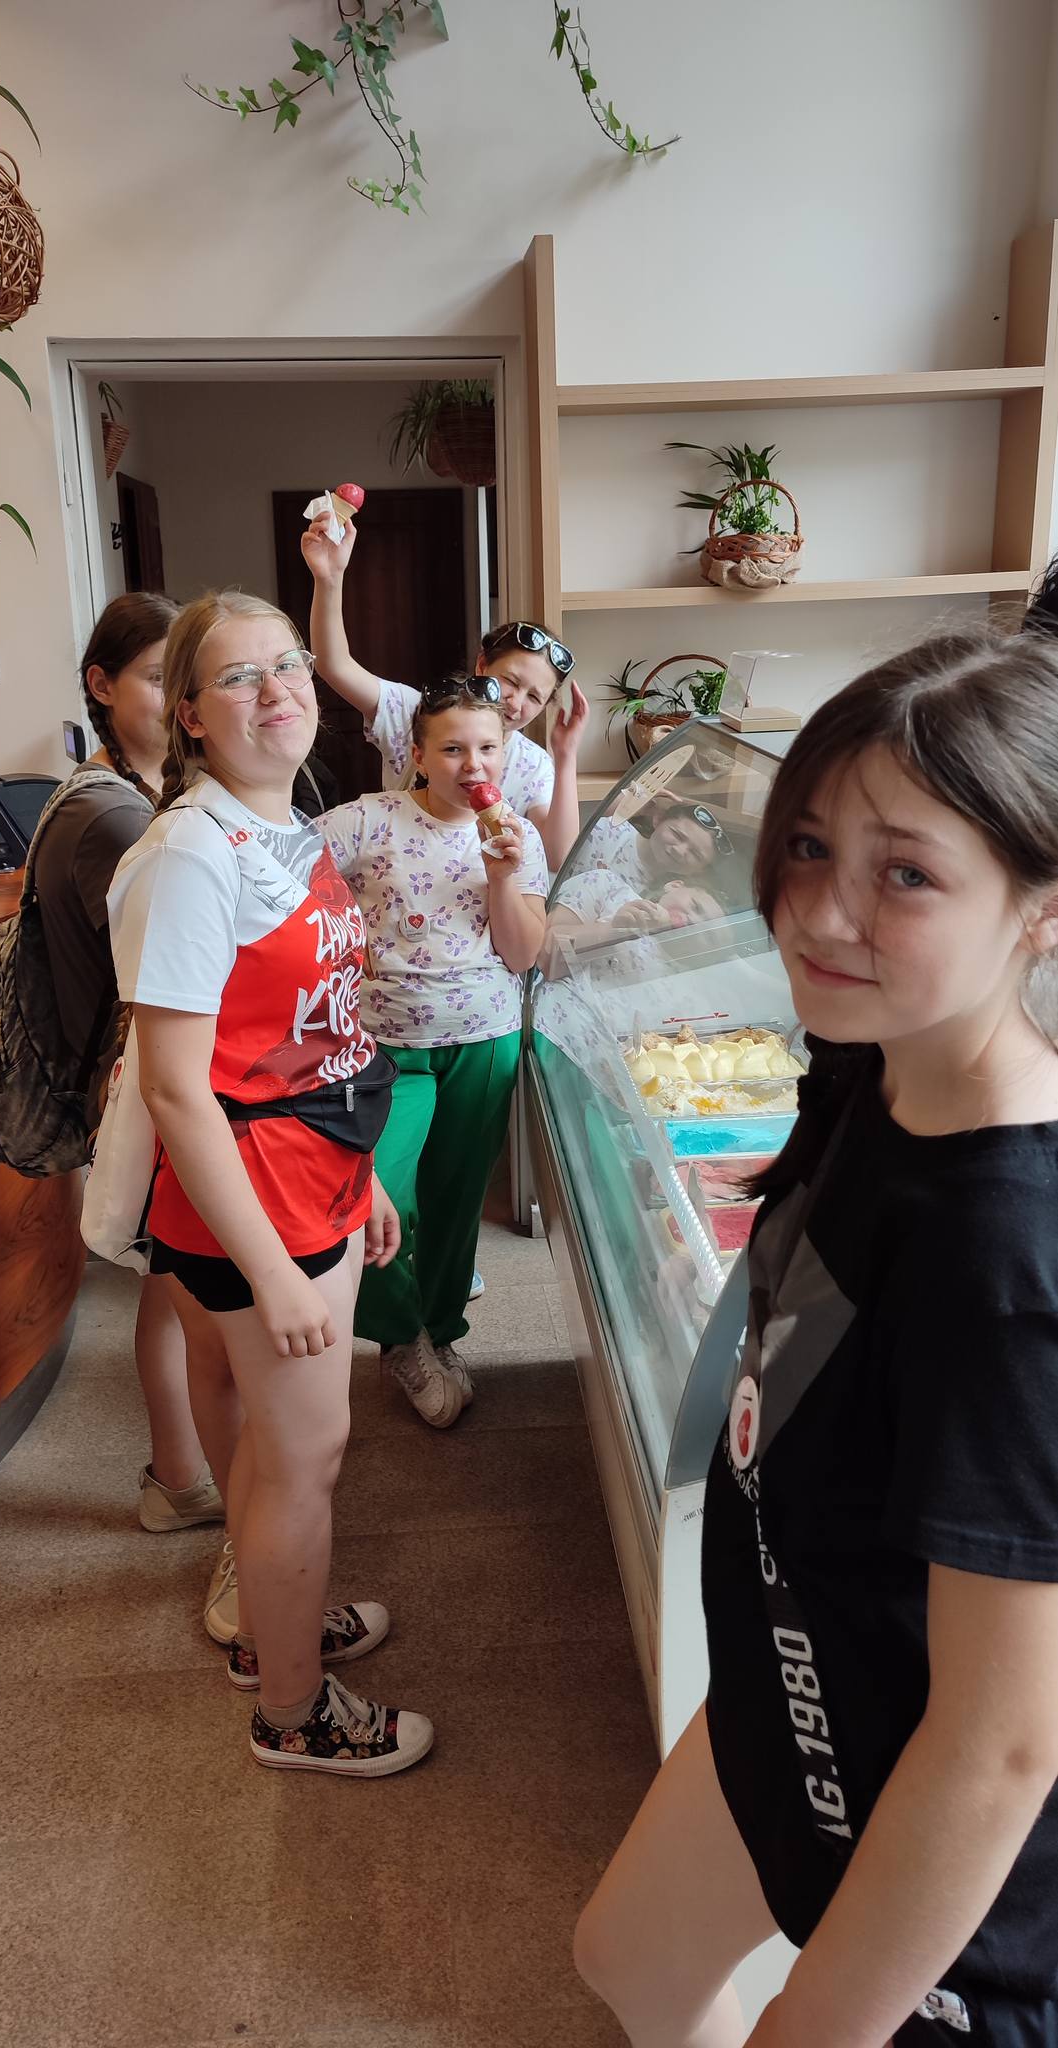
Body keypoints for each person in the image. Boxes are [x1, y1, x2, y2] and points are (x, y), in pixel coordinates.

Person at [574, 629, 1058, 2046]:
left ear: (1039, 909)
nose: (820, 914)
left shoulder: (1007, 1256)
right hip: (796, 1684)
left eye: (904, 874)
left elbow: (1002, 1743)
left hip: (924, 1805)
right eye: (806, 848)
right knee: (628, 1960)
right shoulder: (869, 1068)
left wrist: (820, 2023)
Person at [107, 589, 433, 1775]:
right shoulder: (188, 857)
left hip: (313, 1171)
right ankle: (293, 1712)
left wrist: (359, 1178)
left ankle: (270, 1627)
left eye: (288, 664)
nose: (277, 689)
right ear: (192, 714)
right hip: (258, 1204)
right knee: (306, 1455)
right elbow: (177, 1089)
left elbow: (306, 1031)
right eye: (238, 676)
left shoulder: (283, 821)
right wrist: (274, 1269)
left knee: (279, 1445)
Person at [36, 592, 224, 1534]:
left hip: (146, 1078)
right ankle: (184, 1478)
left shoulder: (146, 792)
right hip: (147, 1087)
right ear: (101, 685)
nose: (179, 696)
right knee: (183, 1291)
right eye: (158, 677)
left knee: (169, 1282)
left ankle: (178, 1476)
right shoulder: (119, 819)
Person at [322, 672, 548, 1428]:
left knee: (456, 1204)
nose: (472, 765)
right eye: (452, 749)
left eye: (487, 748)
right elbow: (283, 885)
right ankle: (397, 1333)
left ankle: (440, 1332)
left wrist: (503, 878)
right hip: (383, 1046)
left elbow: (522, 955)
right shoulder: (365, 822)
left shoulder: (518, 837)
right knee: (377, 1195)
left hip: (483, 1039)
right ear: (417, 755)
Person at [302, 513, 590, 872]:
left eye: (535, 697)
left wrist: (565, 755)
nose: (515, 703)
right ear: (482, 664)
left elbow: (558, 857)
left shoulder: (532, 764)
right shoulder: (417, 713)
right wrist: (329, 579)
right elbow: (334, 665)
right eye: (511, 682)